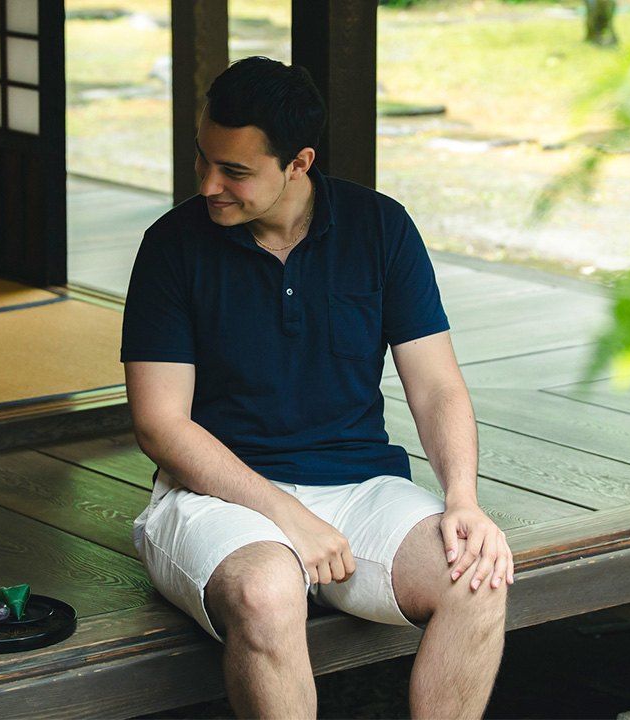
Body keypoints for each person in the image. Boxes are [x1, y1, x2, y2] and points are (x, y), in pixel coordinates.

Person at [122, 57, 510, 718]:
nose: (209, 184)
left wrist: (463, 500)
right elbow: (161, 425)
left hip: (360, 488)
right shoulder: (171, 247)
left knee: (476, 577)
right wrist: (286, 516)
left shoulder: (379, 228)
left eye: (235, 171)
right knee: (266, 591)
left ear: (298, 163)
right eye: (202, 159)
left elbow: (437, 387)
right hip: (215, 498)